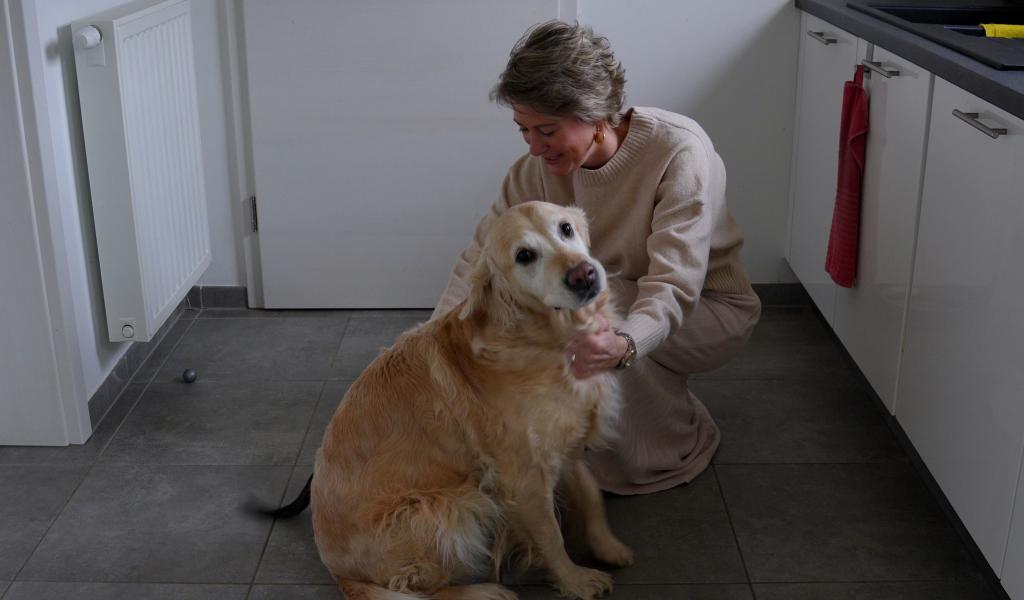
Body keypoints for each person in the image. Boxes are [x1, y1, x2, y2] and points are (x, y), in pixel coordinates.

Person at [431, 20, 761, 495]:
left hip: (710, 309)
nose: (533, 146)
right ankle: (588, 442)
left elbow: (674, 285)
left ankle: (662, 451)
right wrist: (430, 347)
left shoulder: (678, 151)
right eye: (524, 130)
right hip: (620, 296)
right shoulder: (532, 173)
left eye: (546, 130)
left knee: (596, 310)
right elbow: (477, 261)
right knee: (546, 303)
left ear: (595, 113)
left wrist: (624, 345)